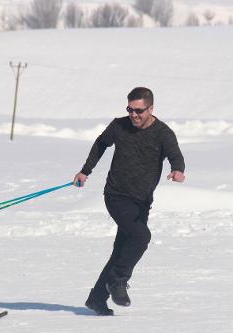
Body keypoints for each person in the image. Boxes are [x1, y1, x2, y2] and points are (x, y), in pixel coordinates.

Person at [73, 87, 186, 316]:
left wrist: (178, 170)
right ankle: (118, 280)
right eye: (130, 109)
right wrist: (85, 171)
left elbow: (176, 155)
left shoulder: (163, 133)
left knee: (122, 251)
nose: (133, 115)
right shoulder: (119, 126)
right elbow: (100, 143)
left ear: (151, 108)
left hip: (142, 201)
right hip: (116, 196)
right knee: (141, 236)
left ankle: (97, 298)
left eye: (138, 111)